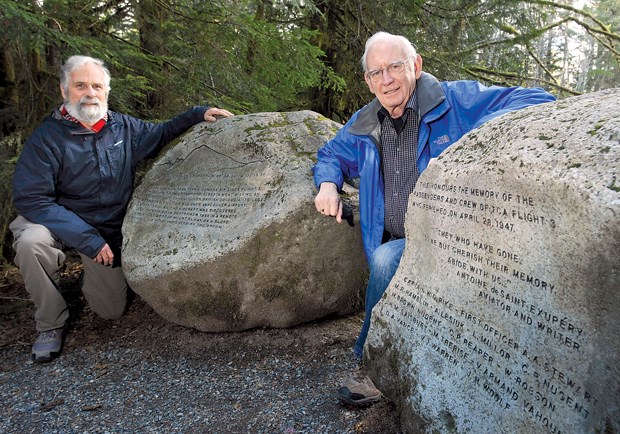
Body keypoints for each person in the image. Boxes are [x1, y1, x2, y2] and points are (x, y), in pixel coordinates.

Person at [312, 32, 556, 406]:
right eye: (377, 72)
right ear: (367, 80)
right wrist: (328, 183)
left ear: (417, 65)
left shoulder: (454, 100)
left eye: (395, 66)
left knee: (384, 260)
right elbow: (330, 154)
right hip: (391, 232)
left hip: (448, 235)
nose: (387, 79)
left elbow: (534, 98)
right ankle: (383, 351)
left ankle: (372, 367)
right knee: (385, 258)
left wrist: (474, 145)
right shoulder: (366, 123)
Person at [10, 55, 233, 363]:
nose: (89, 93)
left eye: (96, 86)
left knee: (111, 310)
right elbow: (32, 199)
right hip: (55, 223)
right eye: (80, 85)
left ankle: (88, 281)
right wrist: (87, 239)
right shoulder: (46, 138)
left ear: (106, 92)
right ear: (65, 92)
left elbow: (162, 133)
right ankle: (50, 323)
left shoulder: (123, 128)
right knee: (30, 243)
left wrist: (197, 114)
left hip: (103, 229)